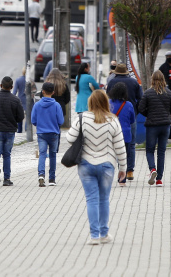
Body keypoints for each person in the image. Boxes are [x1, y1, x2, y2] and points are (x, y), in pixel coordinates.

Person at [64, 90, 127, 245]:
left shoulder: (82, 118)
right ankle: (104, 234)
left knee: (91, 199)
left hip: (86, 164)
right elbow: (120, 146)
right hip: (107, 165)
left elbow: (69, 138)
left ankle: (94, 236)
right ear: (106, 102)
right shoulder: (113, 120)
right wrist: (123, 168)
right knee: (104, 199)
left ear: (90, 102)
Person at [137, 71, 171, 187]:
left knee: (150, 150)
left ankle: (152, 169)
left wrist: (148, 114)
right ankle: (159, 179)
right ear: (163, 79)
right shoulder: (168, 93)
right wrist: (166, 114)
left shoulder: (148, 93)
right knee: (161, 152)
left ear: (152, 80)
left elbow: (140, 108)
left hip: (152, 125)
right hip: (165, 126)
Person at [106, 64, 142, 180]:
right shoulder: (134, 82)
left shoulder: (111, 82)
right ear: (126, 72)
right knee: (131, 145)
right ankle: (130, 171)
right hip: (130, 115)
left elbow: (107, 98)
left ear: (116, 72)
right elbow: (140, 98)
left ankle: (120, 169)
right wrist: (136, 110)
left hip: (114, 118)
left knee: (114, 145)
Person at [0, 76, 24, 186]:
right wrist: (14, 121)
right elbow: (21, 116)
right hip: (10, 130)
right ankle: (7, 179)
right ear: (12, 87)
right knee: (7, 155)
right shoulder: (15, 100)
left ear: (0, 85)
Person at [31, 81, 64, 187]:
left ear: (43, 91)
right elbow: (61, 121)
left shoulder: (37, 105)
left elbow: (33, 120)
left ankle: (41, 174)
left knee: (42, 154)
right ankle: (52, 179)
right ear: (53, 92)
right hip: (54, 133)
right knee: (53, 155)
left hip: (41, 133)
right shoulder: (56, 105)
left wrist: (40, 125)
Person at [108, 83, 135, 187]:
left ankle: (108, 177)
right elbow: (132, 120)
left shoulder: (109, 103)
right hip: (125, 134)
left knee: (111, 156)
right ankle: (122, 180)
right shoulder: (128, 105)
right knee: (123, 157)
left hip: (111, 133)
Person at [13, 68, 28, 133]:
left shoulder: (18, 80)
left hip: (20, 100)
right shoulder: (30, 80)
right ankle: (27, 129)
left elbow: (14, 92)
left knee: (19, 115)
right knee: (28, 116)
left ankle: (19, 130)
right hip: (28, 100)